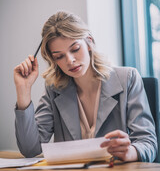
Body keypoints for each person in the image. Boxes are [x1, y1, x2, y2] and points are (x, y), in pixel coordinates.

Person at [14, 11, 157, 162]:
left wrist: (131, 152)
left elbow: (148, 143)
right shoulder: (54, 89)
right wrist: (23, 91)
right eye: (59, 56)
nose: (70, 60)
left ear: (89, 42)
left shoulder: (128, 78)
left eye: (75, 49)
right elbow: (30, 149)